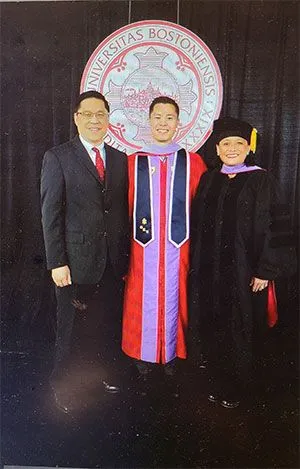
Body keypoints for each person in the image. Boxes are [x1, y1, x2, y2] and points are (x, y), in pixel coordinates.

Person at [189, 116, 296, 408]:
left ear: (248, 148)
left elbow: (279, 227)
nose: (232, 148)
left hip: (245, 273)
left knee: (242, 327)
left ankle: (240, 387)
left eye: (238, 143)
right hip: (210, 273)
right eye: (226, 143)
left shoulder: (262, 180)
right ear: (217, 148)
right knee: (213, 324)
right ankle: (217, 380)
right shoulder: (209, 179)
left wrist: (266, 270)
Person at [41, 91, 129, 413]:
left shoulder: (120, 159)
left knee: (104, 324)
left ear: (108, 119)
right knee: (69, 329)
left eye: (101, 114)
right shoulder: (58, 157)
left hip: (111, 261)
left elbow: (120, 211)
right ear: (77, 118)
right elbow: (50, 214)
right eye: (87, 114)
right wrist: (57, 262)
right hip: (74, 264)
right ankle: (61, 386)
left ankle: (99, 378)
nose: (95, 120)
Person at [122, 96, 207, 379]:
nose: (163, 123)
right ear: (148, 120)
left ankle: (170, 354)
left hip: (178, 251)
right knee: (139, 298)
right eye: (157, 117)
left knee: (175, 298)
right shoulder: (132, 163)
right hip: (140, 251)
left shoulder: (193, 163)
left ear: (178, 123)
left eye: (169, 117)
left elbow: (203, 210)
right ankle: (140, 355)